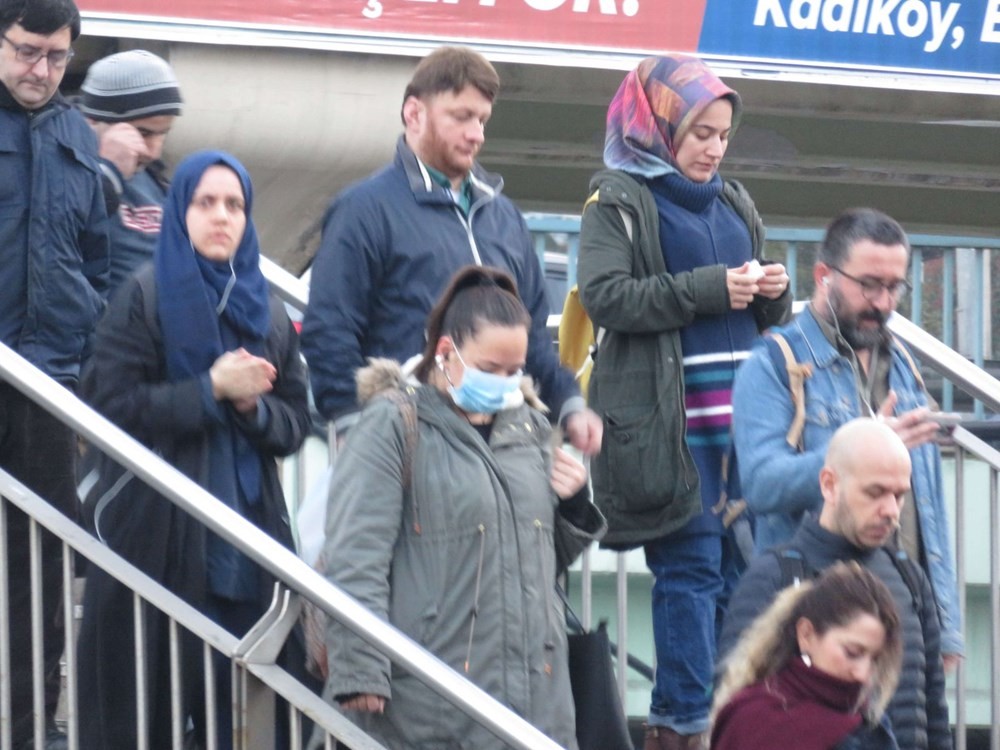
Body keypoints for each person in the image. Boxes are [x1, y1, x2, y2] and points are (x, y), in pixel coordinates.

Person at [575, 54, 792, 749]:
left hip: (743, 432)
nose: (714, 148)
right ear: (660, 125)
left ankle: (729, 723)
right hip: (671, 433)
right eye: (700, 132)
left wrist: (773, 291)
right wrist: (708, 288)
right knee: (691, 571)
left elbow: (765, 321)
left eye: (723, 134)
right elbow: (605, 296)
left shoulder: (733, 201)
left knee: (741, 577)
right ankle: (681, 727)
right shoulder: (619, 199)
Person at [75, 150, 311, 750]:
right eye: (205, 202)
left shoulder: (270, 314)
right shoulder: (144, 298)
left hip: (247, 552)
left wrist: (253, 408)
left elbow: (294, 422)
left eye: (234, 205)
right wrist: (209, 390)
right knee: (146, 712)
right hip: (157, 544)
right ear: (180, 211)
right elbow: (110, 406)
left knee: (246, 721)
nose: (221, 216)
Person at [319, 265, 606, 749]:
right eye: (491, 369)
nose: (505, 383)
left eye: (515, 371)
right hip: (431, 705)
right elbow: (355, 553)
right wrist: (360, 666)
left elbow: (534, 560)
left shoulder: (530, 429)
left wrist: (575, 505)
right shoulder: (393, 423)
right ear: (446, 352)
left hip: (535, 703)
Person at [300, 45, 602, 454]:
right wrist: (360, 430)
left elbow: (529, 341)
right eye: (461, 117)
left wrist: (568, 402)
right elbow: (330, 335)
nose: (476, 133)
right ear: (414, 113)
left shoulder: (505, 217)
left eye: (482, 119)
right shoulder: (362, 211)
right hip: (406, 445)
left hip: (505, 446)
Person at [731, 207, 963, 664]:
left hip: (903, 612)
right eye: (869, 285)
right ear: (824, 276)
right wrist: (858, 447)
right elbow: (760, 484)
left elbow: (927, 505)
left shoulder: (904, 369)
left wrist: (946, 624)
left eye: (894, 286)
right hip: (814, 619)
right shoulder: (774, 364)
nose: (883, 301)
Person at [0, 0, 109, 745]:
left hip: (46, 383)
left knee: (38, 571)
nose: (42, 70)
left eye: (57, 57)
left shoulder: (76, 134)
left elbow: (95, 258)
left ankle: (29, 724)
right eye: (28, 51)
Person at [718, 419, 952, 750]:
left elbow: (934, 716)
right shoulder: (774, 576)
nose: (890, 511)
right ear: (829, 485)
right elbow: (736, 710)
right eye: (875, 492)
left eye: (899, 495)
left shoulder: (910, 577)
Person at [710, 561, 902, 750]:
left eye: (875, 660)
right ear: (806, 635)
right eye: (852, 653)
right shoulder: (750, 716)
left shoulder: (869, 723)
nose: (863, 674)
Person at [79, 48, 183, 295]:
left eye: (163, 133)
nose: (153, 152)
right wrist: (107, 175)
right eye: (143, 133)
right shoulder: (58, 169)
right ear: (92, 121)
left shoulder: (155, 181)